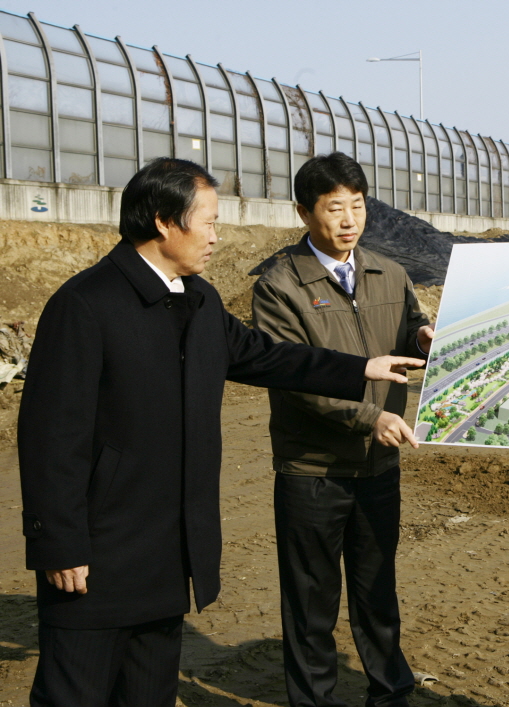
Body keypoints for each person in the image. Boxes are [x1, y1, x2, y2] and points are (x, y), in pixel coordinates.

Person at [17, 157, 424, 707]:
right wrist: (58, 543)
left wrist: (360, 370)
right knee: (77, 691)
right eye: (208, 222)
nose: (217, 236)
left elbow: (266, 357)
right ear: (164, 221)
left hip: (167, 548)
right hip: (100, 551)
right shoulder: (86, 304)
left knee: (147, 691)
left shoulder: (198, 300)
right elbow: (49, 436)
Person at [251, 152, 432, 707]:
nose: (349, 219)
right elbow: (292, 376)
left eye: (357, 206)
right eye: (335, 208)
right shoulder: (280, 285)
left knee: (378, 591)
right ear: (304, 212)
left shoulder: (389, 272)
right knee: (312, 600)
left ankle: (390, 691)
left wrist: (422, 335)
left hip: (379, 467)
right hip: (314, 471)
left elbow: (407, 330)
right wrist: (368, 417)